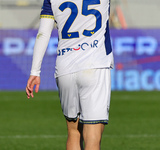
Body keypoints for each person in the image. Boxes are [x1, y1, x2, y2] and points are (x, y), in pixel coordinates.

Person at [25, 0, 114, 150]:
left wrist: (35, 71)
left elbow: (43, 33)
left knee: (73, 132)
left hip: (65, 67)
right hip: (95, 66)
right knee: (93, 136)